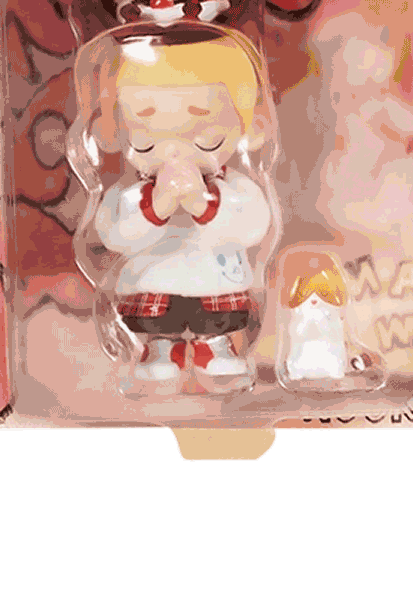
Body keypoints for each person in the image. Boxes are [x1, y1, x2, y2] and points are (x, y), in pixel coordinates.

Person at [71, 23, 273, 389]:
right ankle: (160, 349)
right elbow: (113, 232)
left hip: (216, 279)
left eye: (202, 133)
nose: (173, 149)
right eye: (147, 137)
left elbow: (254, 224)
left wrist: (203, 202)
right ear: (114, 131)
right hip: (153, 279)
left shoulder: (236, 188)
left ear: (249, 127)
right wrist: (157, 205)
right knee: (158, 321)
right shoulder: (129, 194)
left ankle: (215, 346)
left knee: (217, 318)